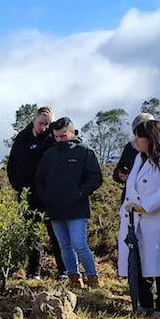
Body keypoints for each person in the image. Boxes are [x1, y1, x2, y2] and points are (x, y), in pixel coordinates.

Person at [118, 120, 160, 319]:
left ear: (151, 138)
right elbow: (132, 187)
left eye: (139, 137)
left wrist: (144, 206)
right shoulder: (140, 159)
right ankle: (145, 304)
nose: (136, 141)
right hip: (136, 219)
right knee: (139, 261)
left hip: (159, 219)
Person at [34, 118, 104, 290]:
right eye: (56, 137)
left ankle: (92, 278)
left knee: (79, 244)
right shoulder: (49, 155)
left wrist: (79, 194)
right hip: (55, 210)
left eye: (63, 136)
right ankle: (74, 278)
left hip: (77, 209)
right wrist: (47, 198)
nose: (59, 140)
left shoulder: (85, 152)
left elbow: (96, 178)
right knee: (64, 245)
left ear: (72, 133)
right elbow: (39, 180)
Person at [7, 107, 65, 280]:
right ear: (34, 120)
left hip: (49, 196)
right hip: (28, 195)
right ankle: (34, 272)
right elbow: (12, 165)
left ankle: (63, 270)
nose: (44, 127)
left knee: (56, 233)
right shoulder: (22, 139)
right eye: (41, 123)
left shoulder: (53, 140)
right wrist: (18, 186)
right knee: (31, 235)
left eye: (48, 124)